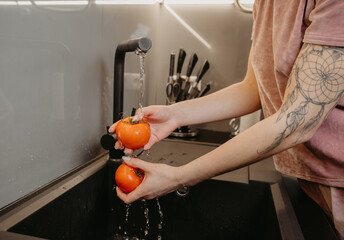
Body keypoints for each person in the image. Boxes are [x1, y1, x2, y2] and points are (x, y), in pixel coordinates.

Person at [110, 0, 344, 238]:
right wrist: (175, 115)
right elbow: (253, 89)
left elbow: (297, 121)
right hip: (311, 178)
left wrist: (178, 177)